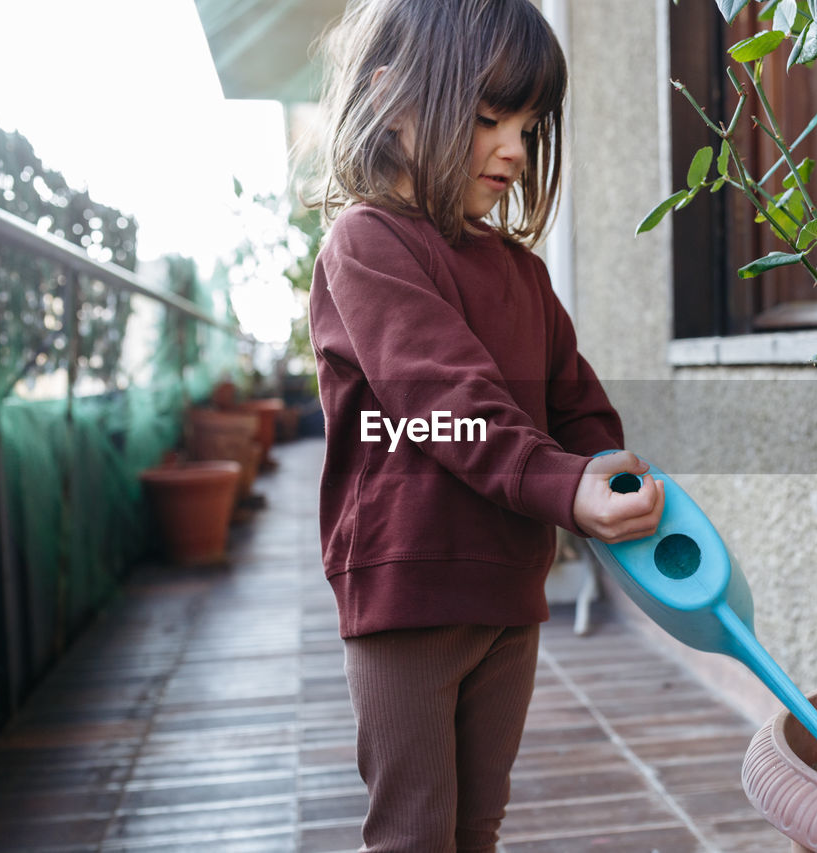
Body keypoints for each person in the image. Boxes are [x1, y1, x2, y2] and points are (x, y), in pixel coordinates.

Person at [302, 0, 665, 850]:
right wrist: (562, 486)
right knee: (416, 830)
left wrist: (606, 464)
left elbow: (574, 399)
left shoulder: (521, 273)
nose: (514, 148)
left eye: (530, 125)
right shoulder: (367, 244)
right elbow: (447, 405)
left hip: (509, 587)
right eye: (487, 117)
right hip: (410, 591)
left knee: (477, 824)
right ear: (394, 104)